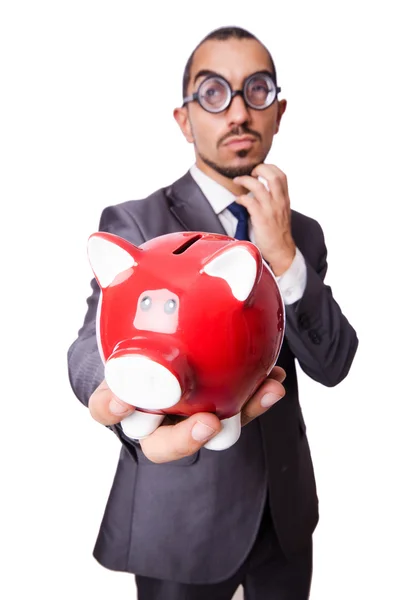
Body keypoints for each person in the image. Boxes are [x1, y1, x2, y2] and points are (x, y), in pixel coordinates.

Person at [67, 25, 358, 600]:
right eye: (212, 93)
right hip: (179, 518)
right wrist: (122, 392)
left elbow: (332, 361)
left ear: (278, 113)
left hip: (285, 512)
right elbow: (88, 347)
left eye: (256, 91)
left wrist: (285, 257)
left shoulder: (304, 234)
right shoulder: (137, 222)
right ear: (184, 119)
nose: (237, 113)